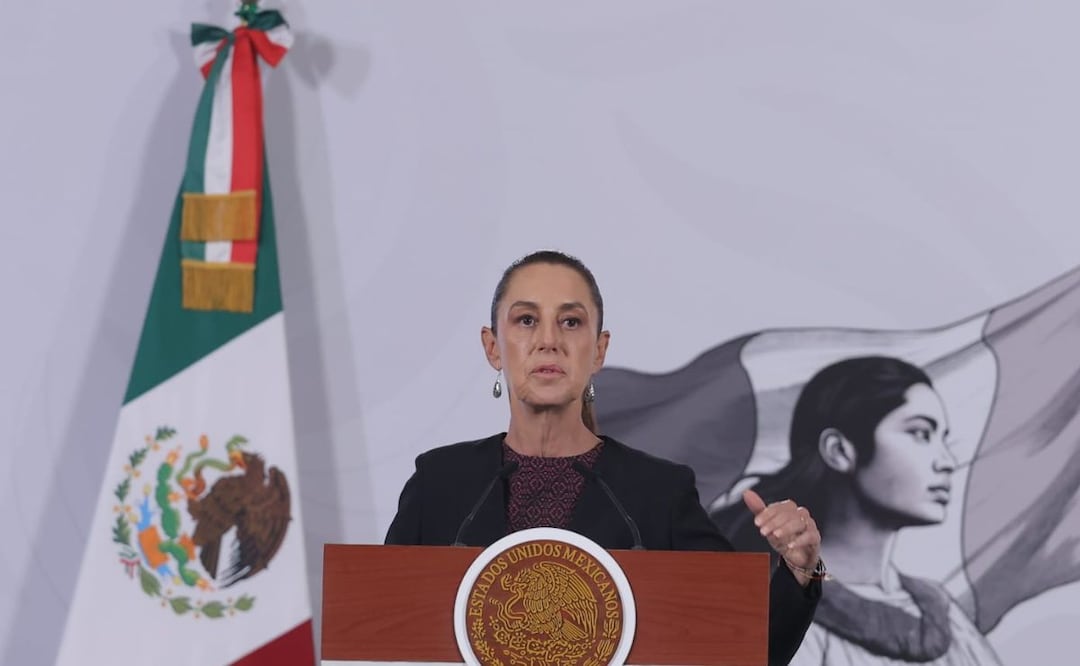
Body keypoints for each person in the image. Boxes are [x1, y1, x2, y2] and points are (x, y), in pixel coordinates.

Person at [385, 250, 823, 665]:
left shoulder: (659, 494)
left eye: (571, 322)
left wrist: (799, 570)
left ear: (599, 350)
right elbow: (378, 631)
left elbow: (744, 648)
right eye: (526, 320)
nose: (549, 341)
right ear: (493, 346)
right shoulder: (439, 482)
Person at [711, 356, 1001, 665]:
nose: (946, 461)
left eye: (942, 438)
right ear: (839, 451)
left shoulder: (946, 618)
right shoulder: (769, 610)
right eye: (920, 433)